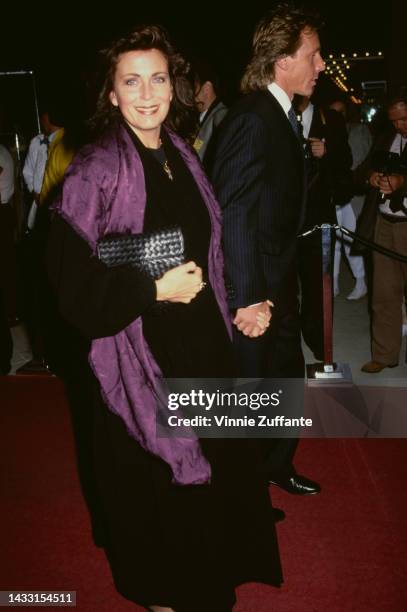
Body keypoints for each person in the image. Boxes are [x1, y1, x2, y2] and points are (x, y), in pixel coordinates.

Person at [46, 25, 282, 612]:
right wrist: (151, 290)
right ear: (111, 91)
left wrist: (240, 301)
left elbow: (206, 250)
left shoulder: (179, 152)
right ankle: (167, 595)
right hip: (139, 356)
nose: (147, 93)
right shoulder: (94, 169)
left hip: (201, 345)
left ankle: (205, 583)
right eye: (132, 81)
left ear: (174, 86)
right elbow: (70, 290)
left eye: (157, 78)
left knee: (212, 476)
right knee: (156, 488)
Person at [212, 4, 324, 495]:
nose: (321, 65)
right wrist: (249, 296)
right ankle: (241, 494)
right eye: (314, 55)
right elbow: (232, 209)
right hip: (257, 284)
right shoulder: (255, 117)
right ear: (282, 61)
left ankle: (275, 465)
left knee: (286, 377)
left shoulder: (282, 115)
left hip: (279, 279)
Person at [295, 94, 353, 360]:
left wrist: (326, 154)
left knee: (317, 283)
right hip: (283, 216)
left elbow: (345, 163)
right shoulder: (273, 116)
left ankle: (320, 343)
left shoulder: (330, 119)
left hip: (317, 216)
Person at [356, 91, 407, 373]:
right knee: (383, 294)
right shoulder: (387, 138)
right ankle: (384, 354)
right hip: (384, 224)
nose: (400, 125)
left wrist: (402, 182)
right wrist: (370, 176)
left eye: (405, 119)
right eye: (394, 121)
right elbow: (362, 170)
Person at [329, 98, 372, 299]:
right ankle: (334, 283)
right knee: (334, 242)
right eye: (332, 112)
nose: (336, 117)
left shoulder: (358, 131)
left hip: (352, 194)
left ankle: (361, 281)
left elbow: (356, 163)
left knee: (349, 240)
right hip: (335, 194)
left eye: (340, 112)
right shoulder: (327, 132)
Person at [193, 60, 228, 171]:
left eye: (195, 87)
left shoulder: (221, 116)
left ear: (207, 88)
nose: (191, 93)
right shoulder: (204, 116)